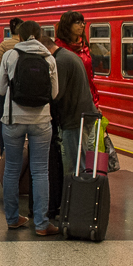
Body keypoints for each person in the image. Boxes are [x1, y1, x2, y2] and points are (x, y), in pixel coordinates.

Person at [0, 21, 59, 236]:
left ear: (19, 37)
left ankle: (13, 219)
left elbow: (0, 89)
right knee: (40, 171)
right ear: (39, 35)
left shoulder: (10, 56)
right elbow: (55, 93)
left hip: (13, 119)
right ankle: (41, 224)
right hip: (41, 120)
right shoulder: (48, 58)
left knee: (12, 171)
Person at [43, 37, 96, 176]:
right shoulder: (68, 55)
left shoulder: (60, 61)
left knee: (75, 164)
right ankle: (80, 193)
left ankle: (78, 195)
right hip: (82, 114)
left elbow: (57, 93)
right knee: (80, 160)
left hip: (75, 119)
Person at [54, 11, 100, 106]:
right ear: (67, 25)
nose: (82, 25)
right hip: (68, 101)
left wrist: (95, 101)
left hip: (86, 97)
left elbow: (90, 77)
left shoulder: (84, 47)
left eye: (83, 22)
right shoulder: (59, 48)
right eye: (77, 22)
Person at [0, 17, 23, 86]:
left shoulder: (4, 45)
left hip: (8, 84)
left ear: (10, 30)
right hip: (23, 84)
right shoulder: (27, 44)